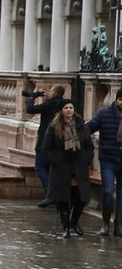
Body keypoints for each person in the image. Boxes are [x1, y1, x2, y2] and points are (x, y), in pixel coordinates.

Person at [44, 100, 94, 238]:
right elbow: (46, 149)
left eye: (71, 107)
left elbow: (89, 145)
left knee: (81, 198)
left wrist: (86, 160)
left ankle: (74, 222)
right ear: (61, 110)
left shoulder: (81, 125)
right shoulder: (54, 127)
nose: (69, 110)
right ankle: (66, 227)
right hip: (61, 169)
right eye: (66, 108)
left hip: (79, 167)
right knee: (63, 199)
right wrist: (56, 161)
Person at [83, 88, 122, 236]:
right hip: (108, 159)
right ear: (116, 100)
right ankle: (105, 224)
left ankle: (118, 226)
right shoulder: (105, 113)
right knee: (107, 191)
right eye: (121, 100)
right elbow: (88, 129)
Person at [26, 84, 67, 208]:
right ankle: (50, 194)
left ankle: (51, 192)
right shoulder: (63, 104)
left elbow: (30, 109)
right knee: (50, 168)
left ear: (54, 92)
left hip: (45, 140)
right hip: (59, 142)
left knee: (39, 166)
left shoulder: (49, 104)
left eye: (51, 90)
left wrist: (32, 97)